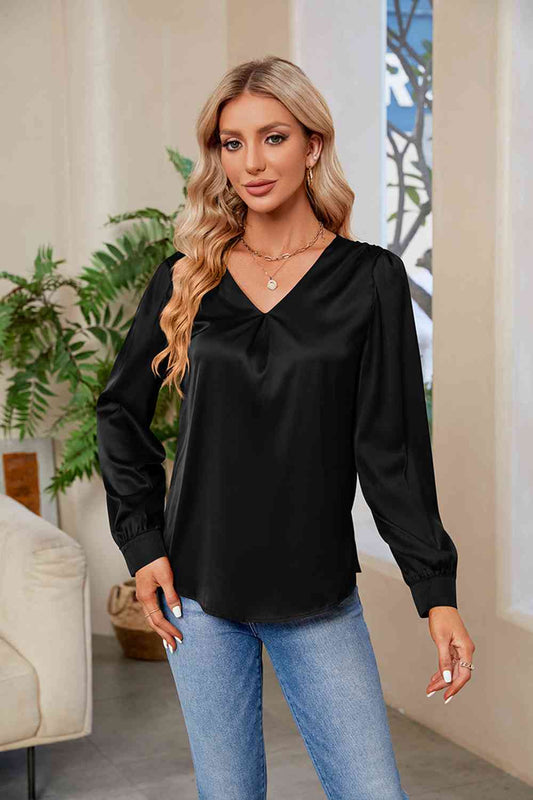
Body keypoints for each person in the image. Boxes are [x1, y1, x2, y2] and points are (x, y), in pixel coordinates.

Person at [96, 55, 475, 800]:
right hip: (197, 594)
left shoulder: (369, 279)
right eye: (232, 143)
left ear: (312, 144)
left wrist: (436, 592)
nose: (252, 163)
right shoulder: (186, 276)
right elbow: (118, 411)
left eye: (273, 137)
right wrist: (144, 545)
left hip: (313, 594)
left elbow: (391, 451)